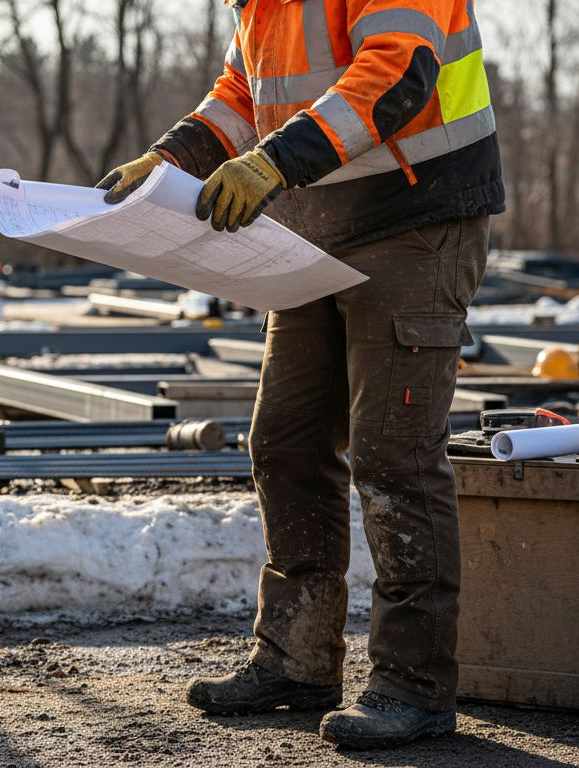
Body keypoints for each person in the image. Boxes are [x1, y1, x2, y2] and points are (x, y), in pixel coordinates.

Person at [98, 0, 503, 750]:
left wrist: (272, 163)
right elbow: (243, 93)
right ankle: (297, 659)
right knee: (284, 442)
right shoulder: (259, 4)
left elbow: (397, 72)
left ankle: (414, 687)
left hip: (419, 221)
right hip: (318, 229)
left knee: (394, 458)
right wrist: (171, 159)